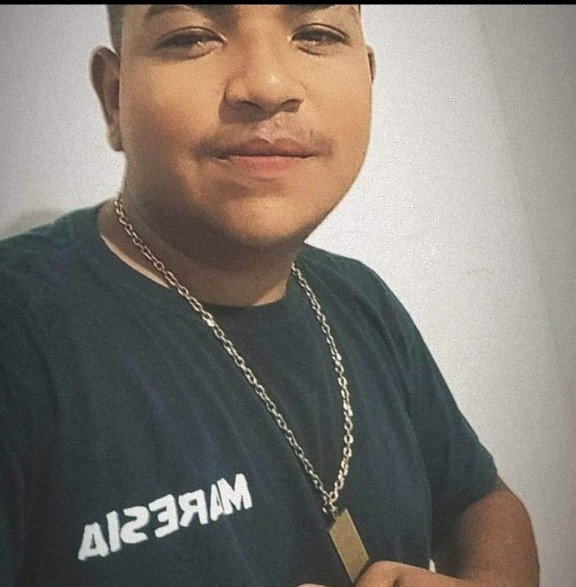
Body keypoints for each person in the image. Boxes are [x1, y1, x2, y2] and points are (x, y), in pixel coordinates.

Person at [0, 5, 539, 586]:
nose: (267, 85)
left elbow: (479, 500)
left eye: (316, 34)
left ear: (367, 78)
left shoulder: (360, 297)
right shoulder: (19, 329)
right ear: (114, 99)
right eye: (191, 37)